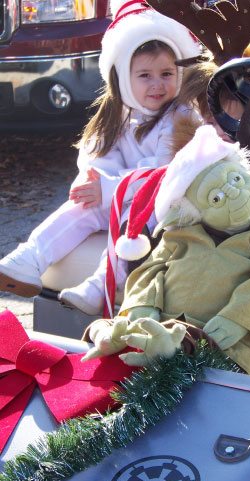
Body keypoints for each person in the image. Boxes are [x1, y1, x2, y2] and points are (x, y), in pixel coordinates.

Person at [0, 0, 200, 315]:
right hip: (119, 194)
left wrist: (108, 189)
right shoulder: (117, 112)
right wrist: (93, 185)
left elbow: (163, 173)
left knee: (135, 219)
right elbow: (97, 157)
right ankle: (29, 258)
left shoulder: (180, 116)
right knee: (81, 206)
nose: (157, 84)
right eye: (145, 75)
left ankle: (100, 284)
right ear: (123, 75)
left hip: (161, 204)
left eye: (166, 73)